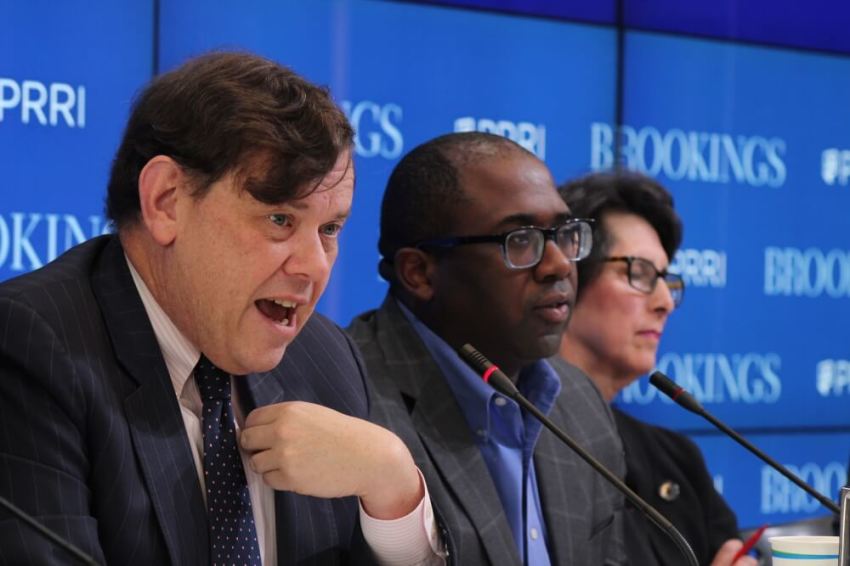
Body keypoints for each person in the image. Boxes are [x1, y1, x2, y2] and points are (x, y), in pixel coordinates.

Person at [0, 52, 444, 565]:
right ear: (166, 201)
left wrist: (391, 488)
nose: (314, 267)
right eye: (279, 219)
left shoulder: (325, 358)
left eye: (330, 229)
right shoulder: (34, 348)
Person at [347, 132, 627, 565]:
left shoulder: (580, 402)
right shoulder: (350, 401)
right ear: (419, 273)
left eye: (565, 234)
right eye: (519, 240)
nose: (558, 265)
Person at [559, 171, 756, 566]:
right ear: (565, 276)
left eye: (665, 278)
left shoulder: (675, 457)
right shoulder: (515, 447)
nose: (665, 301)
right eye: (640, 274)